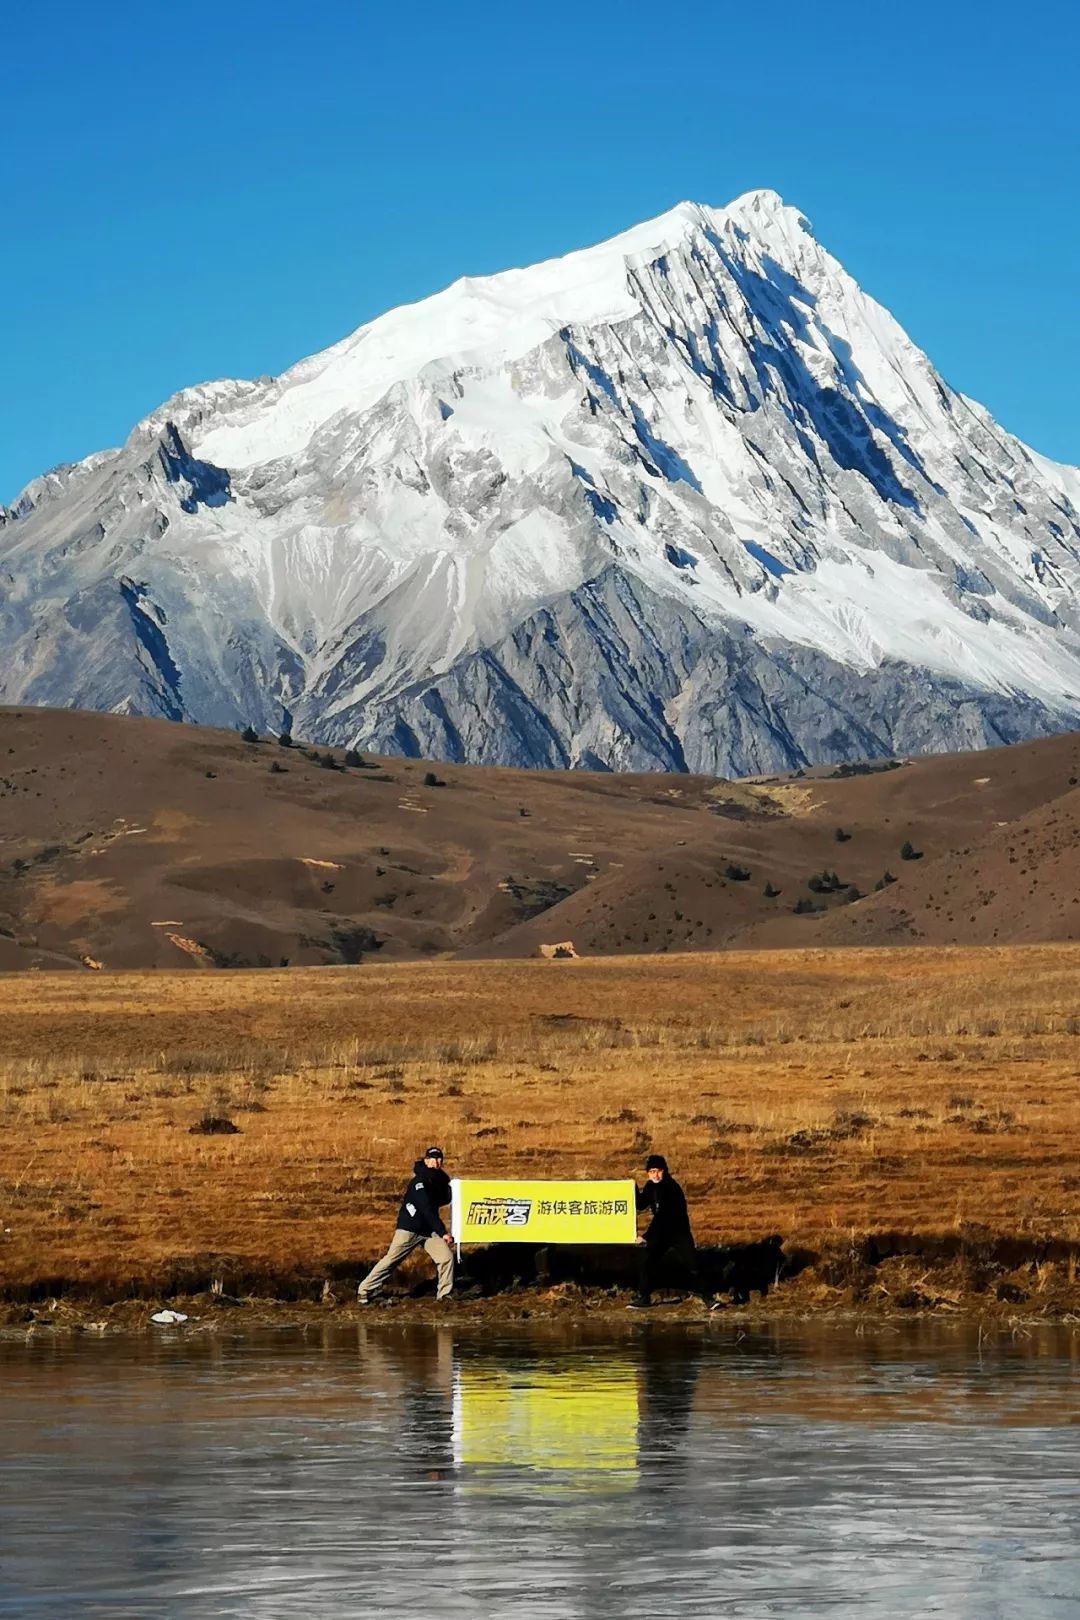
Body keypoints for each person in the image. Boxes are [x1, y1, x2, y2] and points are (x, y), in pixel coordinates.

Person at [358, 1146, 455, 1304]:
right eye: (433, 1158)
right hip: (410, 1228)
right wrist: (443, 1232)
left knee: (446, 1257)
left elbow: (445, 1199)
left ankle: (444, 1295)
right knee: (391, 1260)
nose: (436, 1162)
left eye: (439, 1159)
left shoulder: (441, 1180)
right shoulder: (419, 1182)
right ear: (426, 1160)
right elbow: (427, 1208)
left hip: (428, 1230)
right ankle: (364, 1290)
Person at [629, 1153, 714, 1309]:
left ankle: (709, 1298)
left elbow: (663, 1217)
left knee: (693, 1263)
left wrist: (646, 1237)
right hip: (662, 1234)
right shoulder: (650, 1186)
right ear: (648, 1173)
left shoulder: (671, 1187)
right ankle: (643, 1297)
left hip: (678, 1232)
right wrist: (631, 1190)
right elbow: (641, 1205)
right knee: (647, 1261)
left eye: (658, 1171)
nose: (655, 1175)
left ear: (664, 1171)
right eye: (652, 1171)